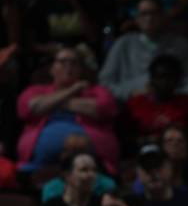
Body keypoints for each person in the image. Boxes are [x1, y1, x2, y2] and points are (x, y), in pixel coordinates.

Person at [17, 46, 119, 174]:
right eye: (63, 62)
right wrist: (73, 90)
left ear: (81, 69)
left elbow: (103, 108)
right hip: (39, 165)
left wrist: (50, 103)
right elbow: (30, 108)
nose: (68, 66)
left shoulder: (97, 91)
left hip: (91, 163)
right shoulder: (35, 90)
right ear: (52, 68)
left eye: (74, 62)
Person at [99, 0, 188, 102]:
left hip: (173, 108)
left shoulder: (180, 44)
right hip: (130, 107)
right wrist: (130, 93)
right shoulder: (123, 44)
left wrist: (173, 96)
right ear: (136, 18)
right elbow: (105, 83)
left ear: (162, 16)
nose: (149, 18)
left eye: (153, 13)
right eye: (144, 14)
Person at [126, 54, 188, 142]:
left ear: (178, 80)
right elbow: (126, 138)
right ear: (151, 79)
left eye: (170, 77)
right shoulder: (135, 104)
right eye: (160, 77)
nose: (164, 82)